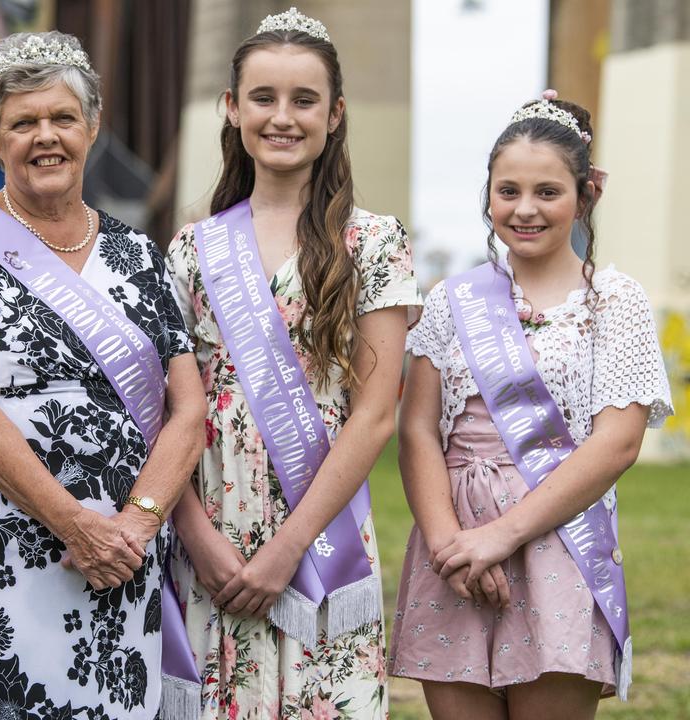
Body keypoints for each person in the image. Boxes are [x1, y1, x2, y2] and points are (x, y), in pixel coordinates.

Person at [0, 30, 206, 719]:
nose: (46, 137)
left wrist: (135, 523)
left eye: (63, 118)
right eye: (23, 123)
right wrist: (76, 525)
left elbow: (188, 409)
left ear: (92, 128)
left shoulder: (140, 255)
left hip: (119, 555)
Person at [165, 8, 420, 719]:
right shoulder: (191, 249)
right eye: (264, 97)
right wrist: (194, 534)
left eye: (304, 100)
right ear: (231, 108)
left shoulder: (373, 243)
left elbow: (373, 417)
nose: (284, 117)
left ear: (335, 114)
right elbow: (165, 412)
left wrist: (287, 547)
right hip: (212, 523)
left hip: (319, 526)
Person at [390, 91, 673, 719]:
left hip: (560, 544)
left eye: (547, 192)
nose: (525, 209)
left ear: (585, 195)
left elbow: (618, 442)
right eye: (507, 190)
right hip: (454, 547)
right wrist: (450, 544)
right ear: (488, 195)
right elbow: (417, 433)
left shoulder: (614, 301)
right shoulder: (451, 301)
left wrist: (501, 537)